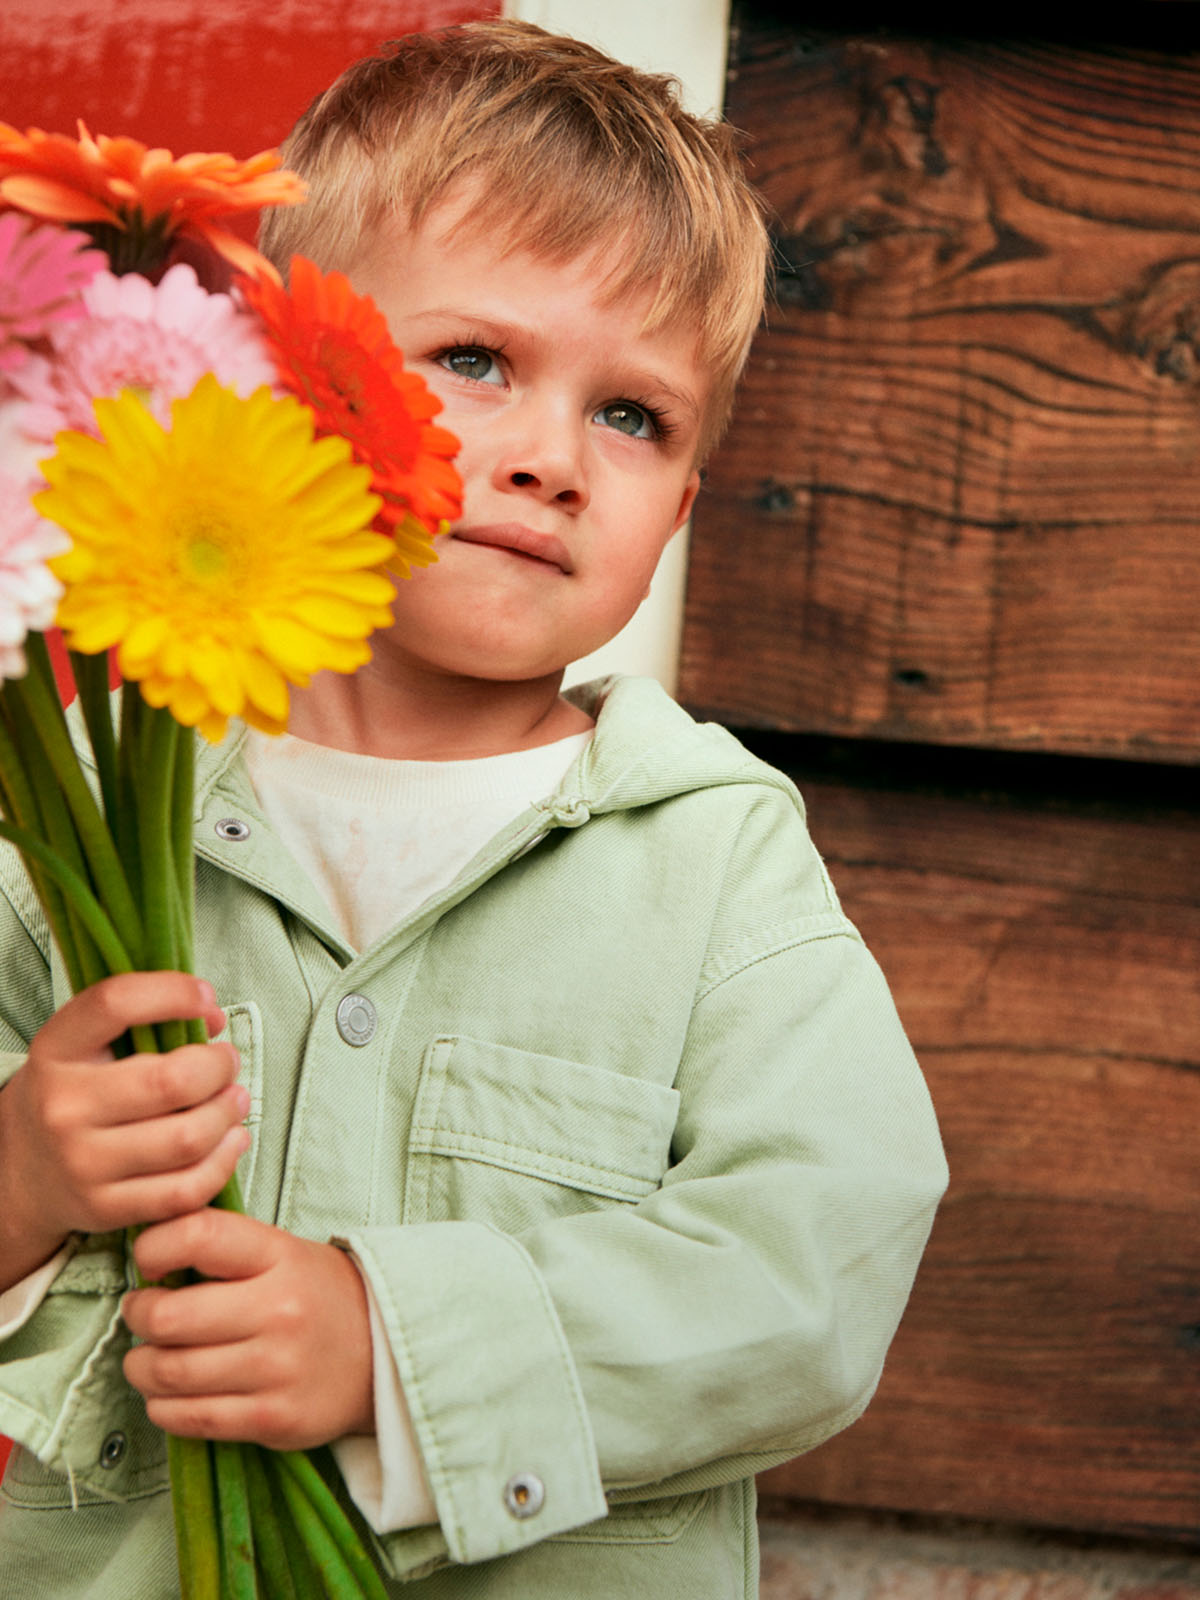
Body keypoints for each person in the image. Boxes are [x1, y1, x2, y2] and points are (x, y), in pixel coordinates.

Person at [0, 20, 948, 1598]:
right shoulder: (89, 822)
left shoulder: (716, 860)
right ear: (288, 381)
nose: (553, 460)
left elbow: (817, 1266)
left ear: (685, 504)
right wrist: (21, 1170)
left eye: (632, 417)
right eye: (476, 363)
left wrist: (392, 1341)